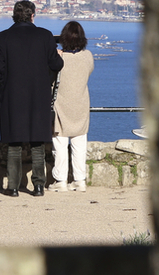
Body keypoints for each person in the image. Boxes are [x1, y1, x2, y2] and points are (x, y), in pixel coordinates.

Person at [0, 0, 62, 197]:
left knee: (14, 142)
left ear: (14, 15)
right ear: (32, 16)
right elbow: (57, 64)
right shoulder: (45, 36)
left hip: (12, 97)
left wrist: (3, 86)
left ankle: (13, 186)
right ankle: (38, 185)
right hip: (39, 96)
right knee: (38, 142)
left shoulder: (2, 37)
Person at [50, 21, 93, 192]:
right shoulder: (88, 56)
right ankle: (79, 179)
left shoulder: (59, 59)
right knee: (79, 143)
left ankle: (60, 180)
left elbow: (51, 74)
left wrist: (56, 53)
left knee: (59, 143)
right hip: (81, 104)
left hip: (61, 104)